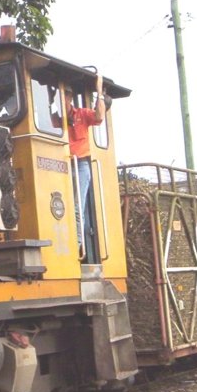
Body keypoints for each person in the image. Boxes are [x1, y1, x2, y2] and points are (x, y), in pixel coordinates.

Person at [67, 74, 105, 260]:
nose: (63, 99)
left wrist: (99, 92)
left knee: (76, 206)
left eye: (66, 95)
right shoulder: (54, 119)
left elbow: (99, 116)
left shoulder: (82, 114)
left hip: (80, 164)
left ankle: (78, 248)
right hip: (63, 165)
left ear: (69, 97)